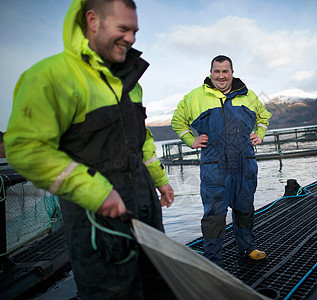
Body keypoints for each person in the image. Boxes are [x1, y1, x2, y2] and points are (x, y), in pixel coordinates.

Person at [4, 0, 175, 298]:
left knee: (159, 288)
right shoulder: (50, 76)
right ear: (93, 20)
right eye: (123, 28)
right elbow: (26, 149)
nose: (132, 38)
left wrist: (160, 181)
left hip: (147, 216)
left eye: (134, 31)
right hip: (98, 228)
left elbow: (141, 139)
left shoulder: (129, 80)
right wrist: (94, 191)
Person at [171, 55, 272, 266]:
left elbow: (264, 117)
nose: (221, 76)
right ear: (210, 73)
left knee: (245, 208)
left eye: (225, 71)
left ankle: (247, 248)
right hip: (214, 167)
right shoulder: (194, 97)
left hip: (245, 164)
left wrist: (259, 134)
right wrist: (191, 140)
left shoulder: (249, 96)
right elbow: (178, 121)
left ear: (232, 73)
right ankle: (212, 261)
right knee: (214, 214)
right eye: (217, 71)